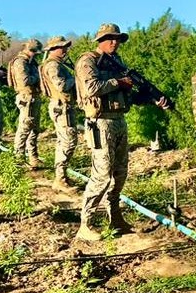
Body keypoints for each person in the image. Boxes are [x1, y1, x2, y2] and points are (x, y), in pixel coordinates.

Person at [75, 23, 169, 242]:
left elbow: (128, 96)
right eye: (110, 38)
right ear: (100, 40)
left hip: (119, 120)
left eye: (117, 39)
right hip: (101, 122)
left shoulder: (117, 62)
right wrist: (118, 82)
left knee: (120, 173)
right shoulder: (88, 61)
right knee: (101, 175)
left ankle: (115, 218)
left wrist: (152, 98)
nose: (114, 42)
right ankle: (85, 224)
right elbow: (90, 88)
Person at [41, 36, 78, 191]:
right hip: (62, 107)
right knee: (68, 141)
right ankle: (60, 179)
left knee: (63, 141)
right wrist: (78, 79)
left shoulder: (56, 64)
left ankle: (61, 177)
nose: (65, 50)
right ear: (53, 49)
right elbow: (61, 85)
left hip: (62, 106)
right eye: (62, 47)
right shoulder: (53, 66)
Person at [10, 39, 44, 168]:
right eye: (35, 52)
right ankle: (18, 157)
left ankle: (33, 156)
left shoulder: (31, 62)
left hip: (33, 97)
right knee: (24, 128)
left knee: (34, 129)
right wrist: (39, 77)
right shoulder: (20, 62)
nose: (36, 55)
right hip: (26, 98)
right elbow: (24, 80)